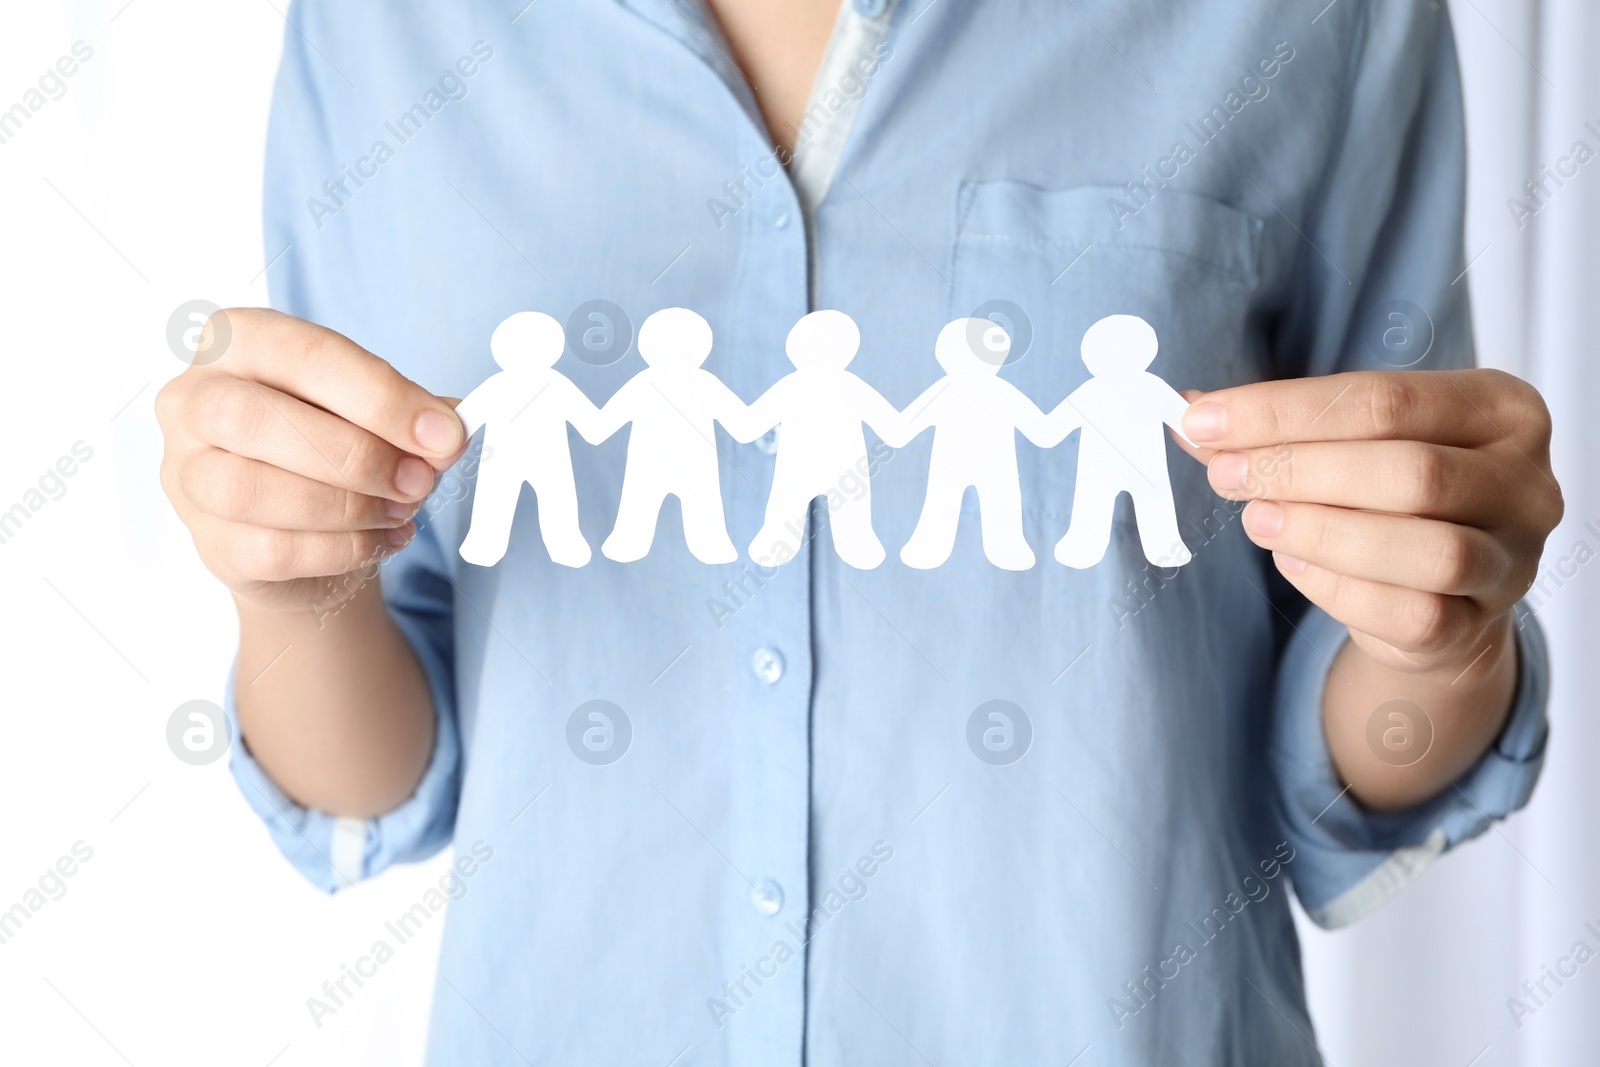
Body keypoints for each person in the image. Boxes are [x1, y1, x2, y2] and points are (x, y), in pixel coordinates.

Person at [154, 1, 1561, 1063]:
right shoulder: (385, 31)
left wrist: (1436, 644)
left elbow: (1366, 739)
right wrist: (293, 597)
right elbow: (376, 783)